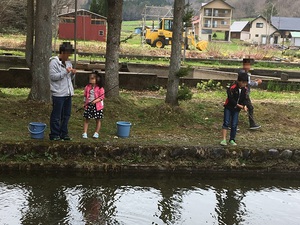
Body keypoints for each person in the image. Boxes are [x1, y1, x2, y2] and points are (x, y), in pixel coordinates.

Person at [49, 42, 76, 141]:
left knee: (66, 115)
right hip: (58, 93)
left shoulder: (68, 63)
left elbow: (69, 78)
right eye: (68, 54)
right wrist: (65, 71)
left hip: (68, 92)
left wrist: (72, 73)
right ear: (63, 52)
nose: (69, 57)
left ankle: (64, 133)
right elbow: (53, 77)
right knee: (57, 115)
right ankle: (54, 133)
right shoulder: (53, 62)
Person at [220, 71, 249, 146]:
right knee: (226, 122)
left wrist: (245, 105)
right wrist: (238, 105)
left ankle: (232, 139)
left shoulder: (245, 89)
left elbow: (245, 99)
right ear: (239, 81)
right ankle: (223, 139)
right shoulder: (232, 88)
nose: (245, 84)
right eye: (243, 83)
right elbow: (230, 99)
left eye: (246, 83)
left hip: (236, 110)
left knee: (234, 124)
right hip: (229, 107)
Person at [82, 71, 105, 139]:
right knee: (87, 119)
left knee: (98, 119)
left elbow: (101, 97)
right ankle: (85, 133)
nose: (90, 80)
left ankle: (96, 133)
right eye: (90, 78)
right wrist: (84, 103)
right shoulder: (87, 87)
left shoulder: (100, 88)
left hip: (97, 106)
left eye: (92, 78)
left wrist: (95, 101)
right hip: (88, 105)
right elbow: (85, 96)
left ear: (97, 79)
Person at [242, 58, 262, 130]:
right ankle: (252, 124)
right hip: (244, 94)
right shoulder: (243, 73)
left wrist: (254, 81)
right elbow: (248, 83)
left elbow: (248, 81)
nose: (247, 67)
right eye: (246, 65)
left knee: (242, 108)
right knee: (250, 108)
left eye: (248, 65)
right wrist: (257, 83)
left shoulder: (247, 73)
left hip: (245, 93)